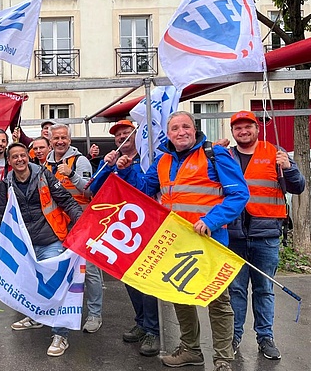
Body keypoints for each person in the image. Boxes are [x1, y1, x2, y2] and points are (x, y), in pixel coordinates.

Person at [117, 111, 249, 371]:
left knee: (217, 300)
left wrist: (210, 221)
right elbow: (144, 190)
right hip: (176, 242)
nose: (181, 132)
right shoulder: (163, 160)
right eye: (175, 128)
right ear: (168, 134)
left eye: (185, 127)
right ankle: (191, 350)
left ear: (194, 129)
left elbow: (239, 194)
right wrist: (128, 170)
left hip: (210, 241)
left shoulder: (215, 154)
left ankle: (223, 357)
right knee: (181, 295)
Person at [221, 110, 305, 360]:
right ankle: (233, 338)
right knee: (235, 290)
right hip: (234, 235)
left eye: (248, 127)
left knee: (264, 289)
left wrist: (288, 168)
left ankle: (265, 338)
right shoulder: (226, 156)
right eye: (238, 128)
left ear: (257, 129)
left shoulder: (276, 154)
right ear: (233, 132)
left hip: (266, 235)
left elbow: (298, 186)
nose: (243, 131)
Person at [0, 142, 82, 357]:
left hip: (51, 240)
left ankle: (60, 334)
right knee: (31, 284)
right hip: (26, 245)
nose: (19, 160)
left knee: (56, 287)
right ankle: (35, 317)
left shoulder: (44, 175)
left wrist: (82, 223)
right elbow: (3, 213)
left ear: (29, 156)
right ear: (9, 162)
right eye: (14, 157)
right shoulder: (6, 183)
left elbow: (66, 200)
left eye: (22, 155)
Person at [88, 119, 160, 356]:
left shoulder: (148, 159)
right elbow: (94, 191)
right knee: (128, 279)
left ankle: (152, 330)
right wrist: (107, 167)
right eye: (118, 135)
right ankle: (141, 322)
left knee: (146, 281)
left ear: (136, 135)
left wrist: (128, 169)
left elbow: (145, 190)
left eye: (126, 133)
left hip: (145, 229)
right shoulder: (110, 161)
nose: (122, 138)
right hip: (121, 231)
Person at [44, 124, 103, 334]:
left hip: (82, 223)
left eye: (64, 138)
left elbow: (89, 192)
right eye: (56, 138)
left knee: (90, 272)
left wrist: (71, 175)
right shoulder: (45, 163)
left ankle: (95, 314)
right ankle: (62, 312)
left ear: (70, 140)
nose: (60, 141)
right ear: (50, 140)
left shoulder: (81, 161)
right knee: (62, 271)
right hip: (57, 226)